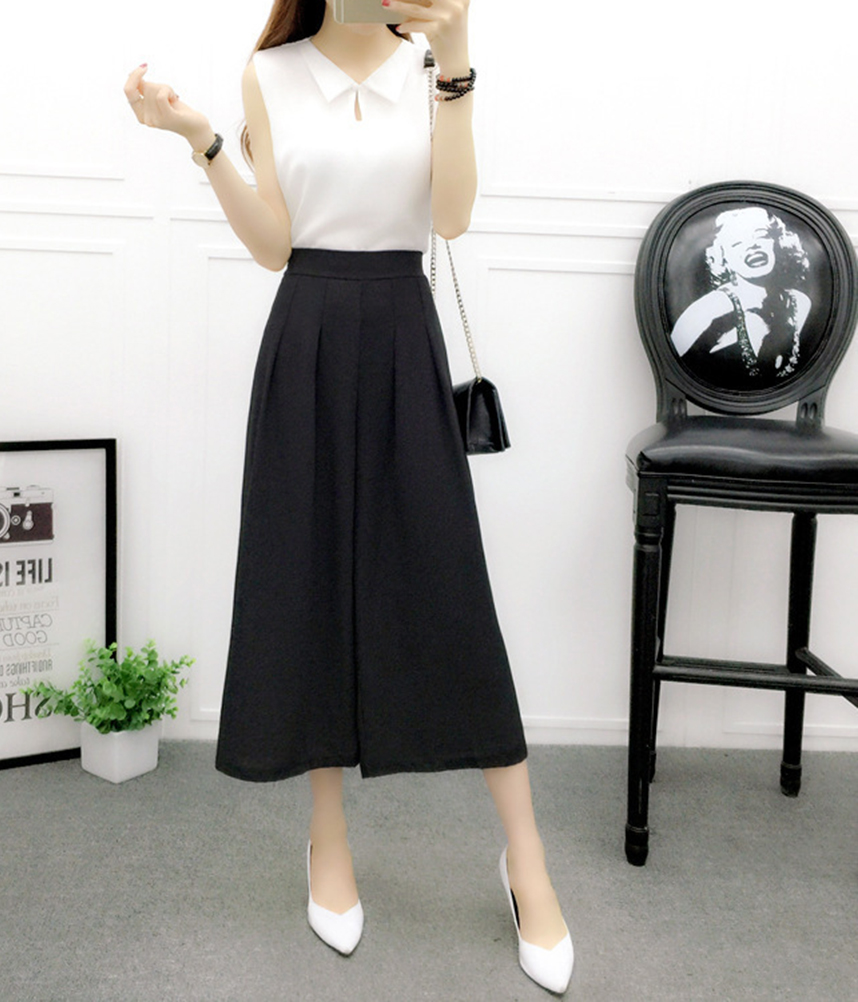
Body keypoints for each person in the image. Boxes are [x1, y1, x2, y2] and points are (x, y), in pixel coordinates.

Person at [124, 1, 572, 991]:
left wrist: (456, 63)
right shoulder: (272, 75)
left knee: (452, 592)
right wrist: (201, 139)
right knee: (311, 578)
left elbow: (450, 216)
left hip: (405, 337)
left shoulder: (430, 65)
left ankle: (526, 860)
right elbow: (274, 245)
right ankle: (326, 838)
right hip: (308, 340)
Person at [670, 206, 812, 389]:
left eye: (761, 236)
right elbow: (672, 374)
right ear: (723, 257)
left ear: (778, 243)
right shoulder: (706, 312)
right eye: (736, 242)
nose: (753, 246)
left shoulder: (800, 303)